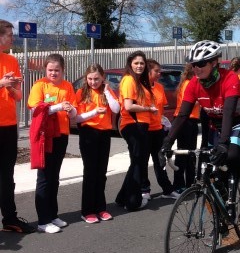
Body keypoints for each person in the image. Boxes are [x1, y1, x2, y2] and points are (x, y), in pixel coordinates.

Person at [161, 40, 240, 204]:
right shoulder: (194, 83)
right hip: (217, 123)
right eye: (193, 64)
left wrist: (223, 143)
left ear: (214, 63)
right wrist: (167, 142)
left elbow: (228, 112)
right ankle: (225, 209)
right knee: (214, 165)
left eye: (201, 64)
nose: (196, 68)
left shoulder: (230, 78)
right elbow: (182, 115)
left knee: (231, 155)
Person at [28, 53, 77, 233]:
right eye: (50, 70)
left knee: (54, 176)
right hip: (45, 136)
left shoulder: (67, 86)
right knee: (44, 177)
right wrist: (58, 106)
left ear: (63, 70)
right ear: (45, 70)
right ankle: (43, 221)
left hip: (61, 135)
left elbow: (73, 111)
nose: (53, 73)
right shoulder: (39, 85)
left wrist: (71, 110)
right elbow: (36, 108)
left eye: (57, 70)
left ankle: (52, 215)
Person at [0, 20, 35, 234]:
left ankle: (10, 219)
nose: (13, 38)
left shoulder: (11, 60)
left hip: (9, 125)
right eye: (9, 35)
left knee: (7, 176)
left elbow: (19, 96)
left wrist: (11, 88)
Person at [75, 63, 119, 223]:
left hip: (104, 134)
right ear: (86, 79)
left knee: (101, 172)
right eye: (90, 79)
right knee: (90, 172)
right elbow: (77, 118)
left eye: (96, 79)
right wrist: (94, 112)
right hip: (89, 133)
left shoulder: (106, 91)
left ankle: (101, 208)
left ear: (103, 78)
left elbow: (116, 109)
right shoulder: (81, 92)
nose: (93, 82)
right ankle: (87, 210)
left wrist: (106, 90)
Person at [115, 51, 157, 211]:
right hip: (133, 125)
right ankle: (133, 201)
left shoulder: (139, 81)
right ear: (130, 64)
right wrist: (148, 109)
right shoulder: (129, 80)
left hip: (141, 125)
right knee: (139, 162)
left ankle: (122, 197)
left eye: (142, 63)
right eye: (136, 63)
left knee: (137, 162)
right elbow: (128, 106)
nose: (139, 66)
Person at [142, 59, 178, 201]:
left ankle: (167, 189)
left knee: (160, 161)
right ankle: (144, 189)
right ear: (148, 72)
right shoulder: (141, 88)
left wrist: (164, 123)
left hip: (158, 129)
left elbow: (161, 109)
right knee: (143, 161)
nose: (159, 73)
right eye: (156, 71)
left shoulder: (159, 87)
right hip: (145, 130)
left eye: (159, 71)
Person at [171, 63, 200, 193]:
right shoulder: (188, 83)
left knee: (190, 153)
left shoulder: (191, 83)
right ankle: (178, 184)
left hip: (191, 120)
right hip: (184, 120)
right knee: (183, 153)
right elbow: (189, 102)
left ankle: (190, 182)